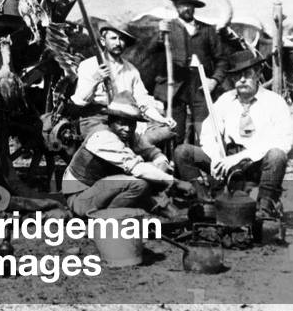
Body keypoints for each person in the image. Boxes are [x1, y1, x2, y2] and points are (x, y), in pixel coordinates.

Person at [173, 50, 291, 221]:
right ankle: (206, 202)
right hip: (226, 160)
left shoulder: (275, 102)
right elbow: (208, 133)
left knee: (277, 155)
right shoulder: (225, 100)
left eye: (247, 74)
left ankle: (264, 208)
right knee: (182, 152)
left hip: (257, 164)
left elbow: (282, 141)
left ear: (258, 73)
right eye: (237, 76)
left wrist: (239, 158)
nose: (241, 80)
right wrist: (216, 158)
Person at [62, 92, 194, 218]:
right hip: (80, 197)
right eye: (121, 123)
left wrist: (161, 163)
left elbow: (152, 152)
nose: (127, 128)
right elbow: (137, 169)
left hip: (101, 190)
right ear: (111, 121)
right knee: (139, 182)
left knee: (151, 174)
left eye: (131, 123)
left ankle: (164, 209)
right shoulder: (102, 137)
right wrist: (175, 182)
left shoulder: (130, 136)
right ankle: (106, 219)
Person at [69, 21, 177, 156]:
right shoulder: (89, 65)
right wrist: (96, 79)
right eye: (113, 38)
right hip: (96, 118)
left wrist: (162, 119)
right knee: (111, 141)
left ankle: (144, 155)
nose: (118, 43)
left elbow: (142, 101)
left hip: (125, 120)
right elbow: (79, 101)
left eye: (122, 39)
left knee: (166, 130)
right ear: (103, 41)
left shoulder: (131, 70)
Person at [155, 0, 228, 144]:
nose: (187, 8)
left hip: (201, 86)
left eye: (190, 5)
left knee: (206, 131)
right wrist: (160, 35)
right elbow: (155, 55)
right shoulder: (167, 28)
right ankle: (176, 159)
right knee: (175, 133)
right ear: (176, 6)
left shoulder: (208, 30)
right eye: (183, 4)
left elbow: (222, 60)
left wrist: (214, 81)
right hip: (174, 87)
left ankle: (204, 158)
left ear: (195, 7)